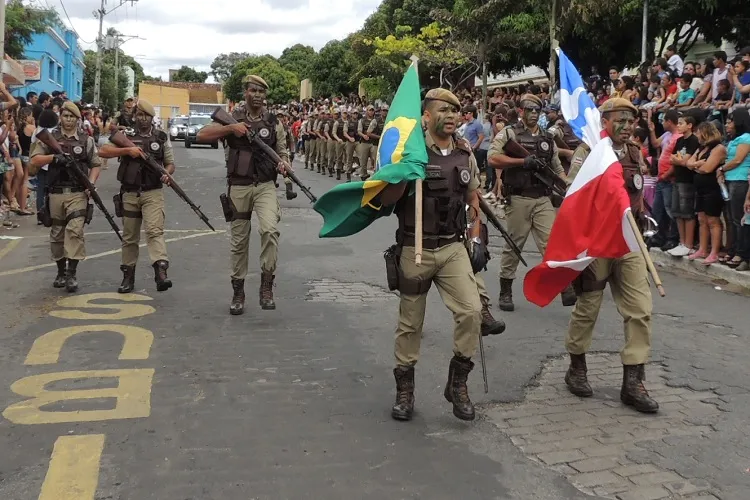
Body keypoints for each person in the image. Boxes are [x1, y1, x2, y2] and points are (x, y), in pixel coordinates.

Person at [375, 88, 486, 422]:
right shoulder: (409, 154)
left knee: (472, 311)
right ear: (425, 116)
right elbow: (386, 200)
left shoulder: (465, 155)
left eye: (456, 111)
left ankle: (458, 383)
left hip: (452, 247)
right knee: (410, 323)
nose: (452, 116)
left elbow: (473, 202)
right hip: (415, 248)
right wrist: (406, 172)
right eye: (443, 110)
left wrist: (476, 239)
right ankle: (405, 391)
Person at [565, 98, 658, 414]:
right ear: (604, 121)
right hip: (597, 242)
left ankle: (633, 381)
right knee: (588, 307)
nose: (628, 127)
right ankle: (576, 366)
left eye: (631, 121)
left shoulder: (634, 153)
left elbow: (637, 192)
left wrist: (642, 219)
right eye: (621, 120)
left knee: (640, 309)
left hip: (629, 241)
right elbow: (572, 193)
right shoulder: (588, 151)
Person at [197, 75, 291, 315]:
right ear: (245, 92)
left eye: (262, 91)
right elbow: (201, 135)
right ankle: (238, 291)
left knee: (270, 230)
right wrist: (230, 128)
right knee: (239, 242)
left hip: (266, 185)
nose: (258, 95)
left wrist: (285, 165)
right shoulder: (233, 119)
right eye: (253, 90)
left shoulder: (273, 122)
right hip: (238, 186)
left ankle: (266, 285)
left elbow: (283, 152)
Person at [488, 93, 576, 311]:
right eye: (529, 110)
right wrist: (521, 161)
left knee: (552, 242)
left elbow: (556, 167)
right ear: (521, 112)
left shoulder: (547, 138)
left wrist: (567, 183)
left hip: (542, 198)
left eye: (537, 110)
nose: (534, 114)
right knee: (514, 245)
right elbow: (492, 157)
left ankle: (564, 287)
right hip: (518, 198)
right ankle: (505, 289)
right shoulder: (510, 133)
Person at [98, 99, 175, 293]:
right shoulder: (125, 135)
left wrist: (167, 173)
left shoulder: (161, 137)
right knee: (129, 237)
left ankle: (161, 270)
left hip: (153, 192)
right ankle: (128, 277)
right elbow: (103, 151)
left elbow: (170, 163)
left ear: (152, 117)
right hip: (130, 193)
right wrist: (127, 150)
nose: (142, 119)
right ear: (135, 116)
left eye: (146, 115)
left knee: (154, 231)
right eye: (139, 115)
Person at [30, 102, 102, 292]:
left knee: (75, 231)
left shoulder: (86, 140)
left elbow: (96, 164)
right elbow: (34, 161)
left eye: (72, 117)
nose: (68, 120)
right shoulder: (49, 138)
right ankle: (61, 271)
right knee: (57, 235)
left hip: (77, 192)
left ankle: (72, 274)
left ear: (78, 119)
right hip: (55, 193)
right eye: (65, 116)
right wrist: (53, 158)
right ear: (60, 117)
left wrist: (91, 183)